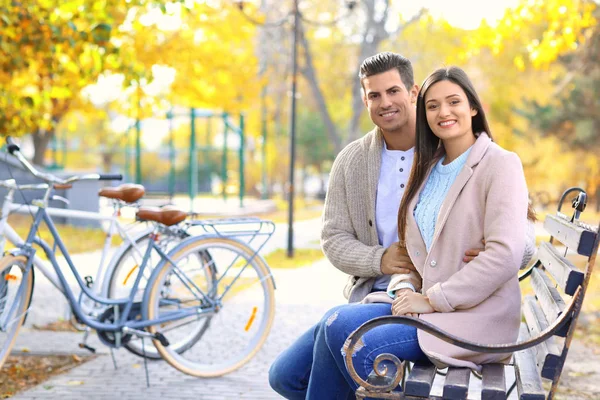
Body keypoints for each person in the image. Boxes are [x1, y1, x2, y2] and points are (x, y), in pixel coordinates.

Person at [268, 53, 535, 399]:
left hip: (458, 308)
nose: (385, 102)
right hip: (390, 295)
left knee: (345, 337)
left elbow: (514, 241)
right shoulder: (419, 165)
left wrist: (503, 246)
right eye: (374, 95)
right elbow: (338, 238)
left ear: (412, 93)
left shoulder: (465, 154)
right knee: (286, 376)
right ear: (365, 100)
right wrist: (388, 267)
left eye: (393, 91)